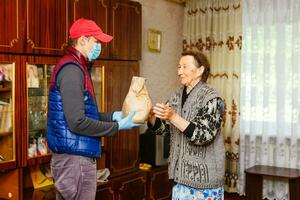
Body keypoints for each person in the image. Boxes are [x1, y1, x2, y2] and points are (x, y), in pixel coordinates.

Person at [47, 18, 140, 200]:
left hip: (75, 158)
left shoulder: (76, 66)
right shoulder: (72, 70)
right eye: (96, 41)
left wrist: (113, 116)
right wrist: (117, 126)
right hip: (75, 160)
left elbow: (81, 113)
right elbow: (77, 122)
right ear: (82, 40)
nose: (99, 47)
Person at [148, 51, 225, 200]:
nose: (179, 71)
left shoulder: (212, 98)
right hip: (180, 176)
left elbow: (203, 136)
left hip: (205, 180)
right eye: (178, 67)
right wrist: (151, 118)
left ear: (200, 70)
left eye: (184, 66)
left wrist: (173, 116)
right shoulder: (176, 96)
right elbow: (165, 130)